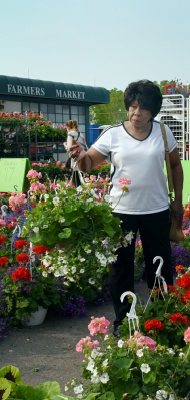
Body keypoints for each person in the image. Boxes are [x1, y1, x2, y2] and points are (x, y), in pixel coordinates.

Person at [70, 80, 183, 337]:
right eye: (132, 107)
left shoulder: (163, 132)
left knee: (161, 265)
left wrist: (176, 201)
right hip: (120, 213)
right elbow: (88, 165)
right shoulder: (113, 134)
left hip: (156, 210)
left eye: (143, 109)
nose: (136, 114)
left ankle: (163, 315)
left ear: (153, 111)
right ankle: (123, 320)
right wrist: (78, 153)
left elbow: (175, 166)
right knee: (120, 268)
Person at [63, 120, 88, 187]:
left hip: (74, 158)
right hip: (82, 158)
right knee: (81, 178)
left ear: (69, 127)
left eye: (66, 127)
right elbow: (86, 147)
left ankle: (78, 194)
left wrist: (65, 145)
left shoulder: (70, 134)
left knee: (75, 179)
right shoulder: (81, 134)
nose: (66, 129)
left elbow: (69, 148)